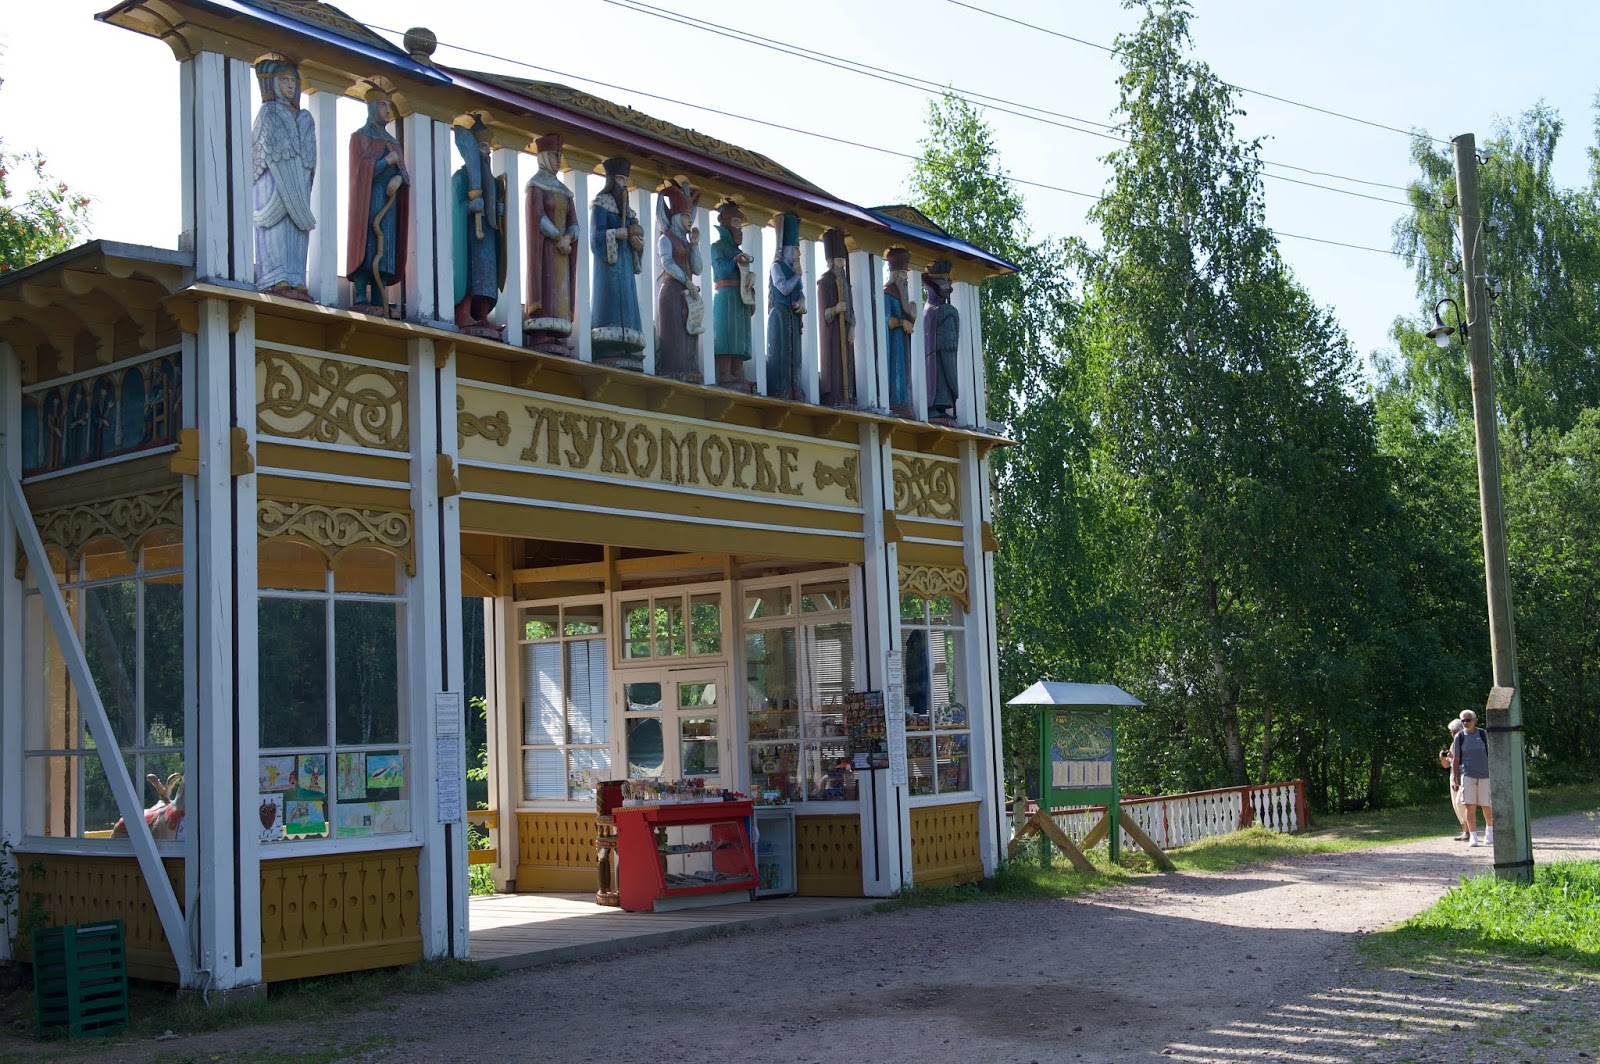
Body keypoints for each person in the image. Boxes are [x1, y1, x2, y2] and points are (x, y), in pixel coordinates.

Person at [252, 55, 317, 298]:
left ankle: (296, 276)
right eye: (283, 80)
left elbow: (309, 163)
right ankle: (276, 275)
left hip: (299, 187)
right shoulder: (269, 112)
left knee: (297, 231)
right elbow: (260, 154)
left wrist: (298, 183)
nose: (290, 86)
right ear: (272, 82)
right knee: (276, 230)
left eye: (293, 81)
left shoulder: (305, 117)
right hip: (274, 185)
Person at [346, 86, 409, 313]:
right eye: (383, 105)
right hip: (367, 199)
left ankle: (379, 295)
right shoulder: (360, 137)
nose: (388, 110)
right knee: (367, 244)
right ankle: (361, 294)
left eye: (389, 105)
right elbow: (360, 172)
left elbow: (405, 173)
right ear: (372, 107)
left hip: (388, 202)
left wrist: (400, 179)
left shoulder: (393, 143)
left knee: (386, 247)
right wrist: (386, 162)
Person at [1451, 708, 1493, 846]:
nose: (1465, 723)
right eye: (1463, 721)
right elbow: (1456, 759)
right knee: (1470, 805)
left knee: (1486, 804)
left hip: (1485, 774)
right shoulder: (1459, 737)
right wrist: (1455, 777)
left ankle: (1489, 831)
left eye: (1468, 720)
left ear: (1475, 720)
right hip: (1467, 774)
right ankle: (1473, 836)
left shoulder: (1483, 734)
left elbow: (1491, 754)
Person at [1438, 718, 1471, 841]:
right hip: (1453, 778)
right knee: (1456, 806)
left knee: (1460, 803)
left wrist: (1453, 757)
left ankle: (1470, 830)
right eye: (1451, 732)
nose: (1452, 734)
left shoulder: (1466, 743)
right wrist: (1443, 759)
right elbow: (1447, 765)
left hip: (1464, 776)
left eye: (1454, 731)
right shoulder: (1453, 744)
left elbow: (1467, 761)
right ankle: (1465, 831)